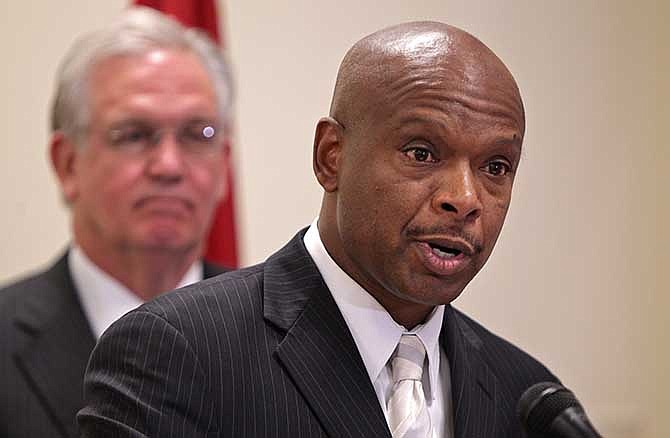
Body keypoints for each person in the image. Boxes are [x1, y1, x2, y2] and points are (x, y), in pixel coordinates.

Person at [79, 21, 559, 437]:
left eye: (496, 166)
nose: (466, 198)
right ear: (331, 156)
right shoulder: (176, 354)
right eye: (422, 153)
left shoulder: (528, 396)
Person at [0, 7, 234, 438]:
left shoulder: (292, 339)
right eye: (133, 134)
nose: (168, 166)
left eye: (196, 134)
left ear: (223, 164)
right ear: (68, 164)